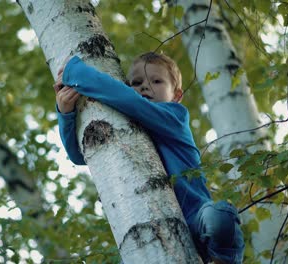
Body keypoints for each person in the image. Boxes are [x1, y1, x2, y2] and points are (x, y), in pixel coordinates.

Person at [54, 52, 244, 264]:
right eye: (136, 82)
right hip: (146, 218)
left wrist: (75, 73)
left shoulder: (175, 116)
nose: (145, 87)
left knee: (219, 216)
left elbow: (130, 101)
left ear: (177, 95)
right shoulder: (123, 122)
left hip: (196, 216)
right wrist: (66, 114)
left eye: (156, 81)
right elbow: (79, 155)